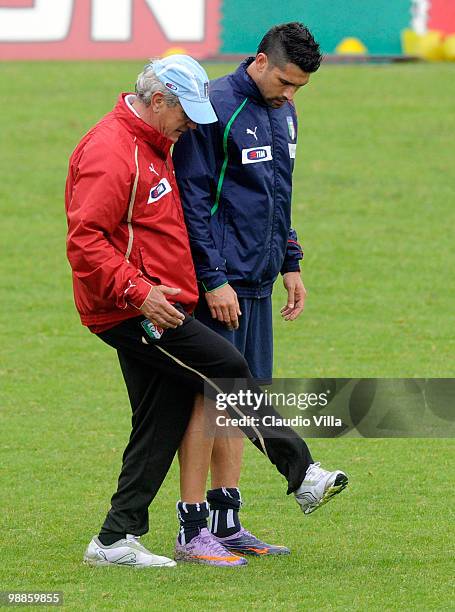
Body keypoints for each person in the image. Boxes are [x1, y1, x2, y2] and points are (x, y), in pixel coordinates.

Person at [66, 54, 346, 570]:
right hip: (134, 308)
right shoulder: (112, 150)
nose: (191, 125)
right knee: (227, 368)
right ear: (157, 102)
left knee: (161, 418)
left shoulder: (156, 143)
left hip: (162, 301)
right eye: (185, 113)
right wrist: (139, 291)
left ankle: (113, 539)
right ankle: (301, 470)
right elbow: (85, 241)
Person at [173, 23, 347, 557]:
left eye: (300, 88)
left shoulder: (285, 113)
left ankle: (227, 523)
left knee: (240, 400)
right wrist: (213, 278)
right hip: (221, 282)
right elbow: (193, 200)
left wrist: (290, 260)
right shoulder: (216, 109)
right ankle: (191, 528)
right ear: (259, 61)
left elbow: (279, 194)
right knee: (208, 400)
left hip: (259, 277)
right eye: (286, 82)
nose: (291, 94)